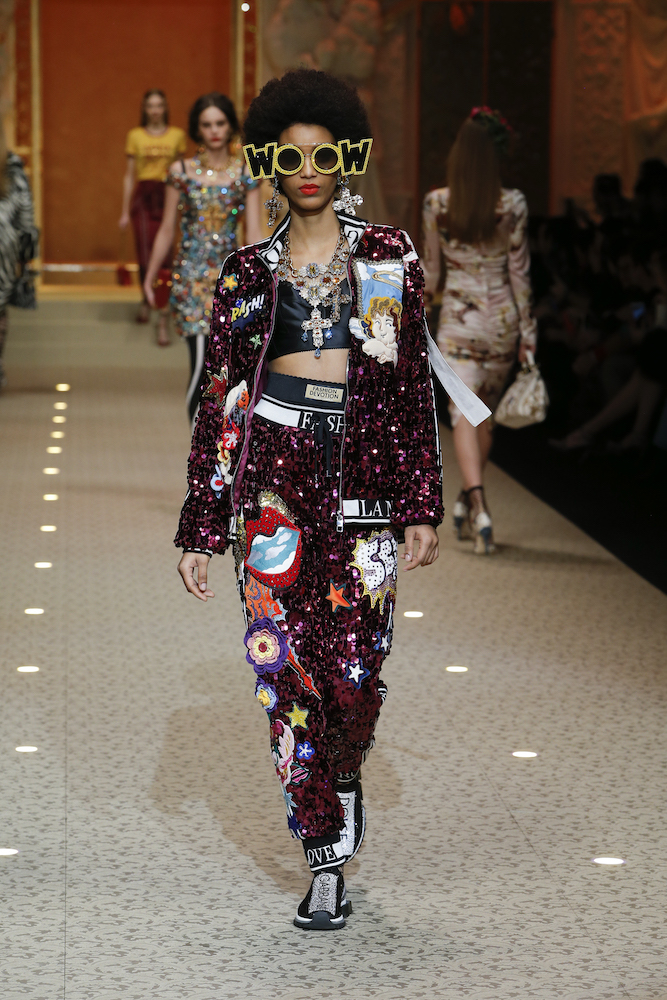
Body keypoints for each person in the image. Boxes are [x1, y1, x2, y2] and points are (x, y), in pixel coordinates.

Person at [173, 68, 446, 931]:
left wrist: (420, 500)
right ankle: (323, 854)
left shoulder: (388, 256)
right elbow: (221, 402)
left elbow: (410, 387)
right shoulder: (245, 274)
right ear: (268, 165)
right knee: (282, 671)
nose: (307, 171)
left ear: (344, 158)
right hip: (273, 488)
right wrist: (201, 521)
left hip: (364, 481)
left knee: (355, 678)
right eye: (288, 158)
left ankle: (346, 767)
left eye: (322, 155)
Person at [422, 107, 537, 553]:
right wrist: (528, 333)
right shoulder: (513, 204)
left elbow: (432, 274)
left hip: (459, 319)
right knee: (481, 412)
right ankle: (473, 503)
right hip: (502, 322)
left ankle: (476, 502)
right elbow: (520, 274)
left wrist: (414, 314)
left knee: (464, 413)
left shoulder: (438, 203)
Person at [143, 93, 262, 423]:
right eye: (207, 124)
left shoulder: (245, 172)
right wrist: (150, 276)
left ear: (230, 126)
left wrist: (264, 280)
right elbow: (167, 228)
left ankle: (218, 440)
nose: (214, 130)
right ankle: (199, 442)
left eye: (220, 123)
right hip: (191, 278)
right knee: (200, 361)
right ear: (197, 129)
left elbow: (253, 233)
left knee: (225, 366)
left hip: (231, 280)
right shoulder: (181, 171)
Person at [119, 89, 186, 345]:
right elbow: (129, 175)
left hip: (168, 194)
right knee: (146, 253)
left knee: (166, 255)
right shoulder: (135, 136)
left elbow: (183, 172)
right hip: (144, 198)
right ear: (144, 109)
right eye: (150, 106)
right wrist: (124, 211)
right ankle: (146, 298)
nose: (155, 110)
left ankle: (162, 314)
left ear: (165, 107)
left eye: (159, 105)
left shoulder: (176, 135)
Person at [0, 126, 38, 389]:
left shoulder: (11, 166)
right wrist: (26, 253)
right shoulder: (12, 165)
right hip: (5, 242)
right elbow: (25, 212)